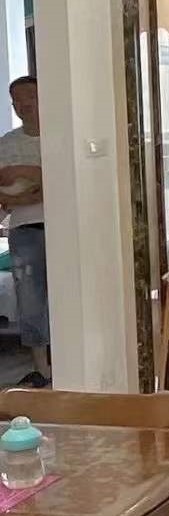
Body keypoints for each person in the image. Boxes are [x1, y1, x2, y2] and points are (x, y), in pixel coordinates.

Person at [0, 76, 48, 387]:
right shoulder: (6, 143)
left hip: (63, 227)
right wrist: (31, 189)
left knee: (67, 294)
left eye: (29, 96)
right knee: (30, 298)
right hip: (23, 228)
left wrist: (26, 175)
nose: (23, 104)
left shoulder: (59, 136)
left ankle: (69, 362)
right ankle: (42, 370)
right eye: (16, 99)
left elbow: (58, 182)